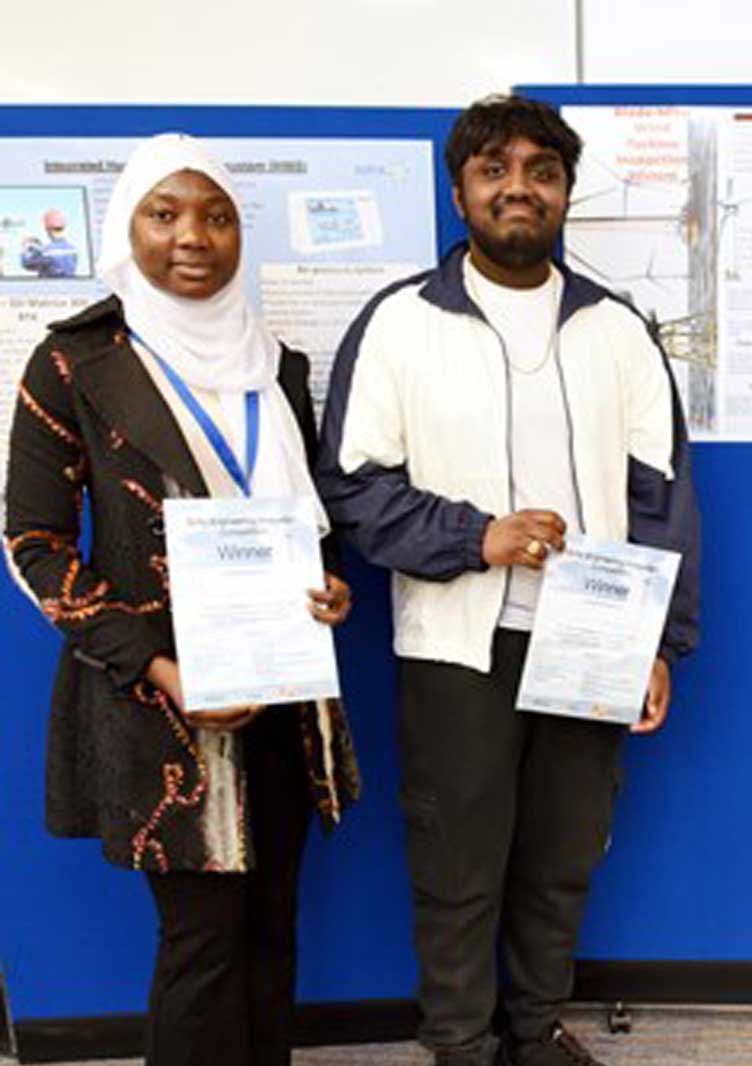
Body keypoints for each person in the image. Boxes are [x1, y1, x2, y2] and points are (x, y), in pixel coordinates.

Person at [316, 95, 700, 1066]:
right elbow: (353, 487)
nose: (518, 186)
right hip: (456, 642)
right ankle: (457, 1042)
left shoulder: (616, 329)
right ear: (460, 192)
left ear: (565, 191)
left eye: (540, 169)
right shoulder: (400, 324)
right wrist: (473, 536)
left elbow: (661, 496)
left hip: (594, 638)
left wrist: (660, 638)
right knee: (458, 858)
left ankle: (532, 1030)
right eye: (495, 170)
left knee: (563, 857)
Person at [4, 133, 359, 1066]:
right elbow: (34, 546)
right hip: (160, 705)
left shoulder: (278, 367)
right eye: (165, 213)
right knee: (201, 942)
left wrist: (325, 588)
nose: (192, 236)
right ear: (130, 228)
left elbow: (300, 522)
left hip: (283, 692)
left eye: (217, 214)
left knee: (272, 925)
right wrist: (161, 664)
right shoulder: (75, 363)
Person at [20, 206, 80, 277]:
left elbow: (27, 264)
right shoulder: (73, 249)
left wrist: (25, 248)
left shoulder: (46, 251)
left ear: (47, 228)